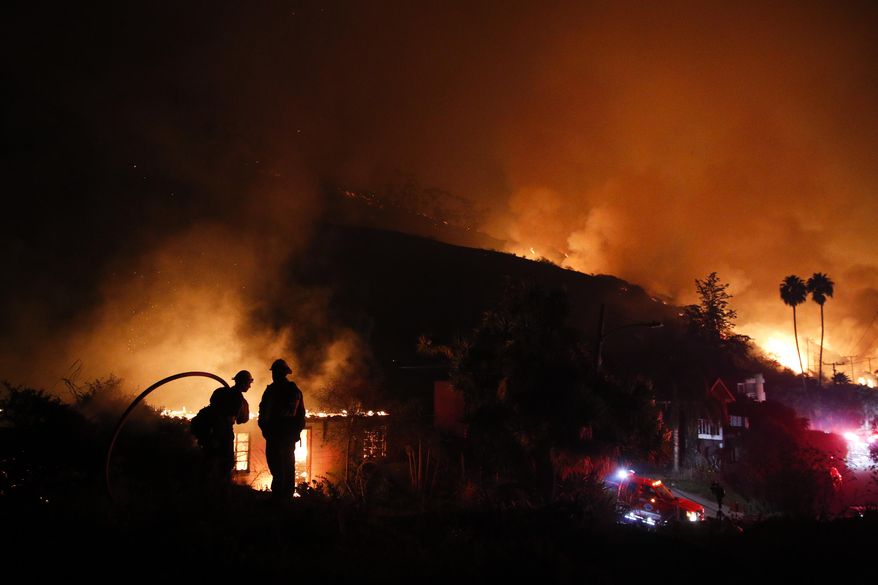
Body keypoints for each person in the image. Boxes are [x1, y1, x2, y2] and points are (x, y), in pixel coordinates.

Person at [258, 359, 306, 502]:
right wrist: (295, 432)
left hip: (279, 434)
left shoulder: (279, 390)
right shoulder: (290, 390)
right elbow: (301, 415)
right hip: (283, 435)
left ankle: (280, 497)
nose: (273, 375)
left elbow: (265, 412)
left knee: (280, 464)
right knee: (283, 464)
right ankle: (284, 495)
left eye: (275, 372)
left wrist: (266, 429)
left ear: (280, 373)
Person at [202, 370, 252, 496]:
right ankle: (221, 494)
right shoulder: (239, 399)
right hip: (223, 434)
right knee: (225, 464)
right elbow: (242, 419)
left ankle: (208, 491)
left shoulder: (220, 392)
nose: (250, 386)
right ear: (243, 382)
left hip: (210, 432)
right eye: (249, 383)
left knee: (210, 463)